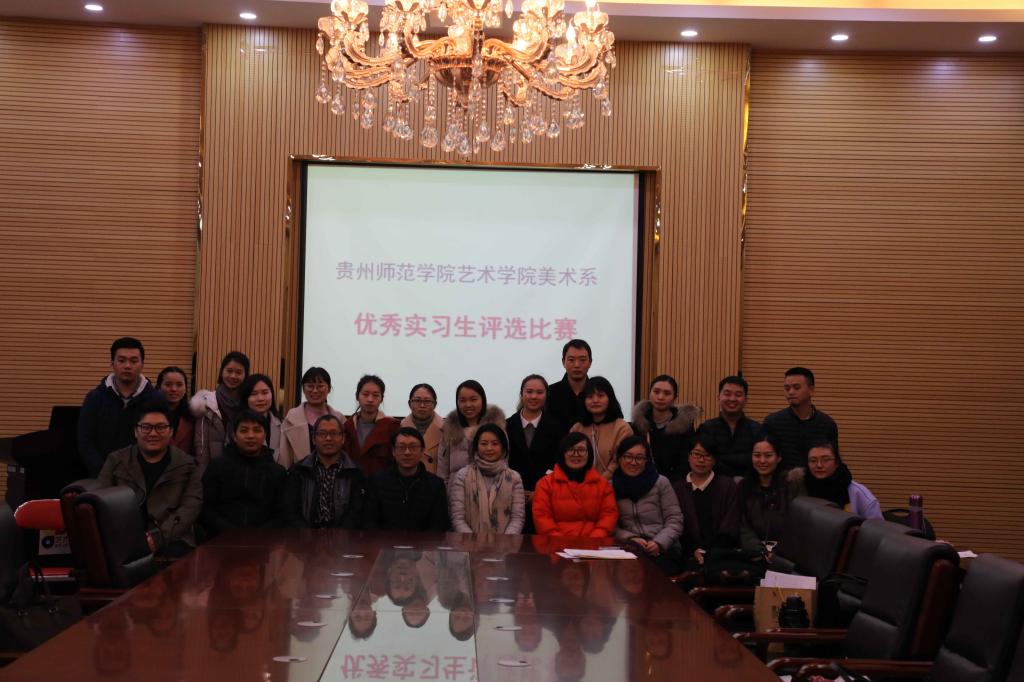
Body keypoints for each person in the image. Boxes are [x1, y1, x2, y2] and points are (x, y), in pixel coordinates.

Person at [97, 401, 201, 557]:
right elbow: (101, 502)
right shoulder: (116, 461)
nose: (153, 434)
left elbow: (191, 506)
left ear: (171, 431)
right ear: (135, 431)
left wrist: (158, 538)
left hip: (173, 538)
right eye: (146, 427)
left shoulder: (187, 464)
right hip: (123, 537)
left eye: (161, 427)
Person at [78, 337, 157, 476]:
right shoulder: (95, 398)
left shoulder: (155, 399)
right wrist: (104, 473)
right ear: (112, 363)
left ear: (142, 364)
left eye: (134, 361)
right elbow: (86, 441)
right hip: (101, 476)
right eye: (121, 360)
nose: (127, 366)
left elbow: (159, 441)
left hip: (143, 477)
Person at [201, 409, 287, 536]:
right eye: (244, 430)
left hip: (264, 540)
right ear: (234, 436)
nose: (251, 436)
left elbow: (282, 514)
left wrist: (257, 535)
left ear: (265, 435)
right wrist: (231, 532)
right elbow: (206, 509)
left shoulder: (277, 472)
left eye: (257, 430)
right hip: (221, 538)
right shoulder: (217, 466)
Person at [611, 436, 684, 575]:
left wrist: (659, 543)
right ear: (619, 458)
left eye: (639, 458)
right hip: (629, 548)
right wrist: (630, 538)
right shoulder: (611, 486)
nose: (633, 462)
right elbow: (611, 526)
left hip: (664, 548)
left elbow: (675, 519)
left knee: (651, 575)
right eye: (628, 457)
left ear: (646, 460)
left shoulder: (661, 483)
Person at [282, 414, 366, 528]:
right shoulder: (298, 471)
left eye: (334, 433)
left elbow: (356, 512)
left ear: (343, 438)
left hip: (344, 535)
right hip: (305, 535)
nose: (328, 438)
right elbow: (291, 512)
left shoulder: (356, 472)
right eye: (322, 434)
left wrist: (339, 535)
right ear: (313, 439)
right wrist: (307, 534)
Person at [672, 436, 741, 572]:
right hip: (687, 554)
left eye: (707, 455)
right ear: (688, 457)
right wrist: (693, 550)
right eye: (697, 454)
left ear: (714, 459)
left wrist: (709, 552)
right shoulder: (677, 488)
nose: (701, 460)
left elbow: (731, 525)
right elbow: (676, 525)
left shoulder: (728, 486)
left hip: (721, 554)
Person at [532, 433, 618, 538]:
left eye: (581, 450)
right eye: (570, 449)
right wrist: (560, 542)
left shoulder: (603, 485)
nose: (576, 454)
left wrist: (593, 541)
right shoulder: (545, 484)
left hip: (594, 544)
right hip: (556, 544)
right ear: (562, 453)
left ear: (589, 454)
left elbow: (609, 515)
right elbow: (542, 517)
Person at [363, 427, 449, 532]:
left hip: (423, 542)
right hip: (385, 541)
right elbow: (370, 522)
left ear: (422, 451)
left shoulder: (436, 485)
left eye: (413, 447)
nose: (407, 452)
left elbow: (439, 526)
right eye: (401, 447)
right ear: (393, 451)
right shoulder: (377, 482)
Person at [738, 434, 806, 564]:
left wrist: (778, 551)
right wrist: (760, 551)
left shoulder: (792, 484)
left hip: (786, 556)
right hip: (753, 555)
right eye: (757, 455)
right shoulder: (743, 486)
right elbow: (742, 526)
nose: (762, 460)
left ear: (779, 457)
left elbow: (799, 524)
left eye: (768, 455)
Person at [449, 423, 525, 534]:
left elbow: (517, 518)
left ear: (503, 447)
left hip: (505, 543)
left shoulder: (514, 478)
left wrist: (505, 541)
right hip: (469, 542)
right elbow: (457, 517)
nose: (489, 448)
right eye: (484, 444)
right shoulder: (462, 476)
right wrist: (472, 541)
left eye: (495, 444)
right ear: (476, 447)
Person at [761, 367, 840, 470]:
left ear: (811, 390)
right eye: (787, 388)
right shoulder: (772, 422)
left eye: (796, 387)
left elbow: (834, 461)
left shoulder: (827, 424)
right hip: (782, 479)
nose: (791, 392)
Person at [506, 375, 563, 514]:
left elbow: (559, 463)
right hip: (509, 498)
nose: (534, 396)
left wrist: (539, 491)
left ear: (546, 395)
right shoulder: (506, 426)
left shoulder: (557, 428)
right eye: (529, 391)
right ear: (522, 394)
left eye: (539, 392)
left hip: (547, 498)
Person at [630, 374, 701, 483]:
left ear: (675, 397)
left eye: (667, 393)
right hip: (641, 482)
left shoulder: (684, 426)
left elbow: (686, 462)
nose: (660, 397)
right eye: (656, 392)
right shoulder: (639, 424)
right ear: (649, 393)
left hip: (674, 484)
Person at [190, 351, 250, 471]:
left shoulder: (248, 404)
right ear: (222, 372)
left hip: (242, 470)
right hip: (212, 470)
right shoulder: (206, 404)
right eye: (229, 371)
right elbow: (201, 447)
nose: (233, 376)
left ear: (245, 375)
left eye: (238, 372)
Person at [437, 380, 506, 484]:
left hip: (488, 489)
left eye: (473, 399)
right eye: (462, 400)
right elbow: (443, 467)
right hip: (455, 489)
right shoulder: (449, 429)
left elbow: (504, 464)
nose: (468, 405)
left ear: (483, 400)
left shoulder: (496, 429)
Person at [278, 367, 344, 469]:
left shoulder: (339, 419)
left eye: (320, 386)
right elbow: (284, 457)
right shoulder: (291, 419)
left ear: (329, 389)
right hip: (298, 476)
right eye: (310, 386)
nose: (315, 390)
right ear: (303, 389)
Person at [696, 375, 761, 478]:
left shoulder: (757, 429)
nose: (732, 399)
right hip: (715, 484)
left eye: (738, 395)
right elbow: (704, 460)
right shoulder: (707, 428)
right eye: (727, 394)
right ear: (718, 397)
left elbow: (759, 460)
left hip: (749, 483)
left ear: (746, 399)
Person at [569, 377, 633, 478]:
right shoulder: (577, 428)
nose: (595, 400)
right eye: (590, 397)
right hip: (580, 483)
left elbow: (620, 461)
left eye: (600, 396)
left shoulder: (622, 428)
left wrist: (601, 481)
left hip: (612, 484)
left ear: (610, 398)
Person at [802, 441, 882, 519]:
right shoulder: (800, 487)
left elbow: (876, 526)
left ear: (837, 463)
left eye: (826, 460)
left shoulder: (857, 492)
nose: (819, 465)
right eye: (813, 461)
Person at [342, 374, 401, 476]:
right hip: (352, 482)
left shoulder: (392, 426)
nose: (370, 399)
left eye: (375, 395)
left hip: (382, 483)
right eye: (365, 394)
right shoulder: (347, 426)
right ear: (357, 396)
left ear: (382, 399)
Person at [546, 339, 593, 432]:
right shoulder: (549, 393)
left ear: (590, 362)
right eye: (571, 360)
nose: (577, 365)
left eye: (582, 360)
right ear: (563, 362)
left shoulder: (599, 394)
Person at [400, 383, 445, 474]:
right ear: (409, 404)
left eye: (427, 401)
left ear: (435, 404)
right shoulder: (399, 428)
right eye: (417, 400)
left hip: (436, 480)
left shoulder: (446, 429)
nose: (422, 406)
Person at [237, 373, 282, 458]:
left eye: (265, 392)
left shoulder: (282, 423)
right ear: (245, 398)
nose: (260, 398)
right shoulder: (236, 423)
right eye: (254, 394)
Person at [156, 366, 194, 456]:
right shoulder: (149, 415)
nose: (174, 389)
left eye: (179, 385)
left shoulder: (193, 415)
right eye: (168, 384)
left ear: (185, 388)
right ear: (159, 387)